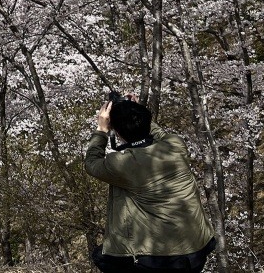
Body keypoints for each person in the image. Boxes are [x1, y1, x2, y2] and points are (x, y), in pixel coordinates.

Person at [84, 96, 216, 272]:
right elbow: (160, 136)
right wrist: (138, 114)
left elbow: (92, 163)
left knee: (103, 257)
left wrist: (101, 130)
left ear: (117, 132)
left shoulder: (125, 163)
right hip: (196, 249)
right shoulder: (176, 145)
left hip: (159, 260)